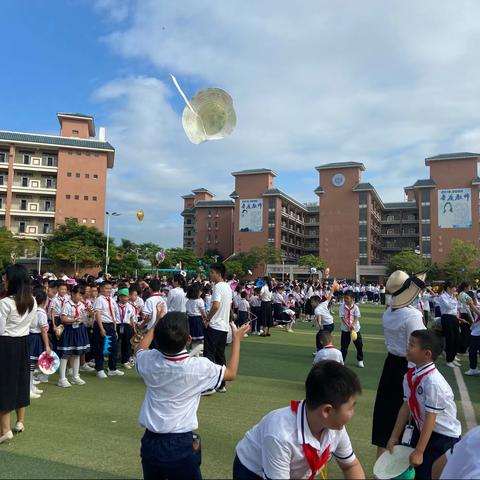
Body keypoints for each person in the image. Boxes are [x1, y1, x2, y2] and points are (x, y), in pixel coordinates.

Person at [136, 311, 250, 480]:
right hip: (181, 442)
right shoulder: (199, 367)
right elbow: (231, 373)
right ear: (189, 338)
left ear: (157, 339)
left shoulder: (149, 360)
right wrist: (237, 339)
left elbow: (140, 348)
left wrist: (156, 323)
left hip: (150, 441)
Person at [233, 361, 365, 479]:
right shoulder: (281, 435)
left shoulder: (335, 426)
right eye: (351, 407)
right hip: (250, 470)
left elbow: (350, 466)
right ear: (327, 411)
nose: (353, 412)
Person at [387, 330, 461, 479]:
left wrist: (419, 451)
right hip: (423, 429)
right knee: (413, 470)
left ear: (427, 354)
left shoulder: (434, 382)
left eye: (412, 345)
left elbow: (431, 418)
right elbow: (406, 406)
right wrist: (394, 436)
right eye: (409, 343)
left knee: (430, 473)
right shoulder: (410, 375)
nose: (407, 347)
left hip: (442, 437)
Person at [372, 270, 427, 457]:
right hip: (409, 366)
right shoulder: (412, 316)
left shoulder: (388, 313)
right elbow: (420, 345)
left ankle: (380, 471)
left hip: (391, 366)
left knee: (385, 419)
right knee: (406, 421)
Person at [0, 265, 37, 444]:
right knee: (21, 381)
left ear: (12, 280)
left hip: (6, 344)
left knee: (5, 384)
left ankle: (5, 430)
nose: (3, 281)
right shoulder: (32, 300)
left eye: (5, 278)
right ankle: (20, 422)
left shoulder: (5, 303)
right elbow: (32, 322)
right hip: (23, 343)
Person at [202, 263, 233, 396]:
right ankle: (221, 384)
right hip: (223, 327)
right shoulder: (228, 287)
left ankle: (209, 386)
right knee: (220, 355)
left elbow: (215, 305)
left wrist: (207, 318)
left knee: (209, 355)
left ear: (218, 273)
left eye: (212, 272)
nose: (210, 275)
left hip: (215, 325)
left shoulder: (218, 287)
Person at [58, 285, 91, 387]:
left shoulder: (82, 305)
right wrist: (73, 320)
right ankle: (62, 378)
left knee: (77, 353)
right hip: (69, 330)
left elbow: (86, 319)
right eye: (78, 294)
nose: (80, 297)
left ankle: (75, 376)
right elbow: (63, 319)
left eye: (81, 294)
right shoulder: (67, 305)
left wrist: (90, 315)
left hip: (79, 329)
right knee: (66, 354)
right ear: (72, 294)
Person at [92, 281, 124, 379]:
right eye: (106, 288)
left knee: (113, 347)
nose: (108, 290)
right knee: (100, 348)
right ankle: (99, 369)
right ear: (101, 289)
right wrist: (101, 328)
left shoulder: (112, 300)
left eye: (110, 288)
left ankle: (112, 368)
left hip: (111, 325)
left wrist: (114, 329)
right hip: (102, 324)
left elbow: (114, 314)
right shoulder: (99, 300)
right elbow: (98, 315)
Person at [29, 289, 50, 399]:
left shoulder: (30, 310)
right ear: (44, 300)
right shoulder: (41, 312)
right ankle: (28, 389)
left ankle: (31, 387)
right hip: (35, 338)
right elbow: (43, 330)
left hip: (30, 337)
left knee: (31, 365)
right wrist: (47, 346)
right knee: (31, 365)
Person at [437, 281, 461, 368]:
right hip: (447, 318)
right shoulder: (443, 296)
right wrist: (454, 298)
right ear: (448, 288)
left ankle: (453, 357)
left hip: (454, 318)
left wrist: (454, 298)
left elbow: (457, 307)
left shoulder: (452, 297)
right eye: (454, 287)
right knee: (450, 339)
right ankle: (449, 360)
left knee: (456, 338)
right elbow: (449, 306)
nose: (455, 289)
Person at [339, 290, 364, 368]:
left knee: (359, 345)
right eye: (344, 298)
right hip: (345, 329)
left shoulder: (356, 307)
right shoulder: (342, 306)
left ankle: (360, 360)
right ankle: (342, 360)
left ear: (352, 298)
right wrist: (348, 325)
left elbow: (357, 317)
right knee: (344, 346)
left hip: (355, 329)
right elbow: (342, 317)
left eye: (347, 298)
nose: (345, 300)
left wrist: (352, 325)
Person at [116, 288, 137, 369]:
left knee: (127, 344)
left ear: (128, 297)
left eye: (126, 296)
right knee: (115, 343)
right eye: (122, 296)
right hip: (117, 325)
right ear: (119, 297)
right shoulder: (115, 306)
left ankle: (125, 361)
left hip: (127, 326)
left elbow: (132, 318)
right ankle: (112, 361)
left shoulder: (130, 307)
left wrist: (134, 329)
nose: (124, 298)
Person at [185, 283, 207, 348]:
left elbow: (187, 312)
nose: (201, 292)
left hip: (190, 319)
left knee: (192, 336)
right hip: (198, 320)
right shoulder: (200, 301)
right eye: (200, 291)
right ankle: (198, 350)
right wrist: (206, 318)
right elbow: (203, 313)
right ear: (196, 292)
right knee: (199, 337)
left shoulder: (188, 301)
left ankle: (192, 348)